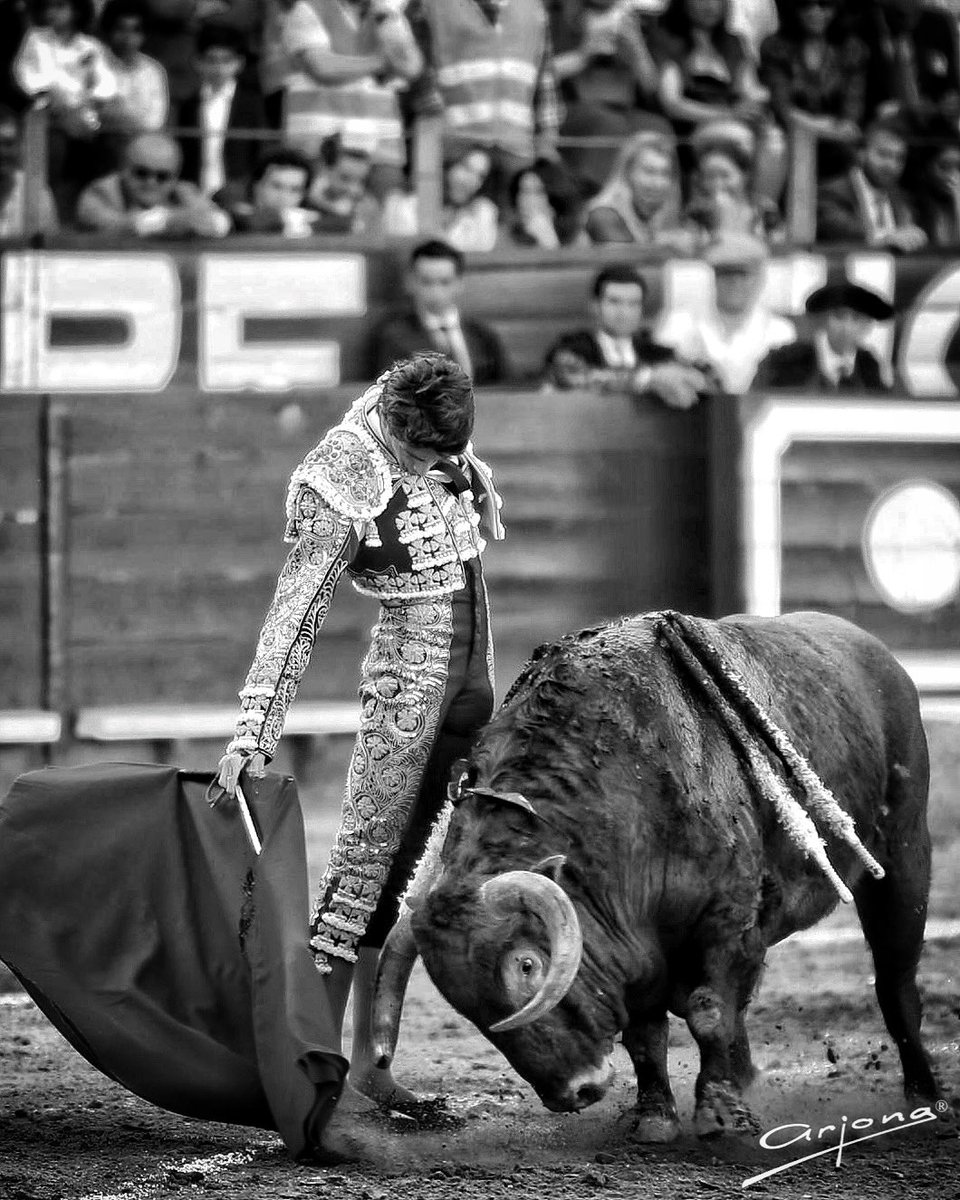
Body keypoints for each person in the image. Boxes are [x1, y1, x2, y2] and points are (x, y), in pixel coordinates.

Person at [215, 351, 504, 1113]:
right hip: (410, 688)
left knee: (418, 873)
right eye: (422, 455)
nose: (434, 466)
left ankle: (372, 1067)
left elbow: (426, 406)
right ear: (396, 430)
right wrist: (255, 731)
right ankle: (312, 1074)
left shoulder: (419, 403)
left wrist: (464, 468)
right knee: (363, 877)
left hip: (476, 683)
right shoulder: (337, 476)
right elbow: (295, 613)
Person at [407, 0, 561, 179]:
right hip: (455, 148)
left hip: (517, 149)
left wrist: (548, 138)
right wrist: (435, 117)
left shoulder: (533, 6)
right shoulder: (434, 5)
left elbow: (545, 77)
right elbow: (419, 68)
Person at [277, 0, 422, 186]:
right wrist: (380, 63)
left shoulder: (386, 15)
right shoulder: (309, 9)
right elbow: (322, 68)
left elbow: (412, 67)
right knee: (322, 207)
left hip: (381, 144)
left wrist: (387, 18)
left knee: (384, 210)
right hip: (320, 141)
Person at [544, 265, 714, 408]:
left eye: (633, 304)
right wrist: (649, 379)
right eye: (614, 302)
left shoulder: (660, 353)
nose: (624, 313)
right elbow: (575, 377)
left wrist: (695, 379)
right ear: (595, 306)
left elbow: (711, 379)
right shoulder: (571, 349)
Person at [656, 232, 795, 395]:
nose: (734, 283)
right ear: (714, 278)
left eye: (743, 275)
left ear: (759, 280)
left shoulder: (780, 331)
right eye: (726, 274)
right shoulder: (679, 323)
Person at [369, 239, 509, 384]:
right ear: (410, 282)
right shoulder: (393, 336)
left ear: (459, 283)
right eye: (426, 282)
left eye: (445, 282)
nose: (436, 292)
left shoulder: (482, 336)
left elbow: (504, 388)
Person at [758, 0, 866, 182]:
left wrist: (840, 128)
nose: (815, 11)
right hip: (789, 132)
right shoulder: (775, 47)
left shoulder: (853, 50)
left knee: (855, 153)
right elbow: (782, 107)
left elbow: (851, 116)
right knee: (788, 145)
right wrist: (820, 127)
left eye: (824, 4)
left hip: (838, 140)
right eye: (806, 3)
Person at [75, 129, 231, 235]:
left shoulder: (182, 192)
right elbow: (106, 223)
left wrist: (206, 222)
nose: (151, 182)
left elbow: (220, 222)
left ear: (175, 178)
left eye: (162, 176)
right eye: (141, 173)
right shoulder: (100, 192)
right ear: (123, 169)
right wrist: (165, 222)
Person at [753, 278, 893, 392]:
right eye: (839, 317)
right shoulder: (783, 362)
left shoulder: (870, 367)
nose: (846, 327)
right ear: (824, 320)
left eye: (856, 319)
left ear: (867, 327)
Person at [176, 23, 266, 199]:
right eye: (212, 60)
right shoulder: (189, 105)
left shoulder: (252, 103)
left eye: (226, 60)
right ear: (198, 62)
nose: (219, 68)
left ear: (240, 63)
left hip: (239, 193)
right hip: (196, 193)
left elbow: (259, 151)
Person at [816, 116, 927, 251]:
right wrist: (888, 237)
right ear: (861, 153)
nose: (892, 165)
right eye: (883, 154)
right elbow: (841, 231)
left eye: (899, 158)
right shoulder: (833, 191)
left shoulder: (902, 199)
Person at [584, 122, 694, 251]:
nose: (657, 183)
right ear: (627, 172)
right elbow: (625, 265)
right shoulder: (603, 215)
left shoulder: (660, 219)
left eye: (665, 173)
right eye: (649, 171)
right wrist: (664, 244)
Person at [683, 137, 782, 246]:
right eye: (709, 176)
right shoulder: (696, 211)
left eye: (725, 175)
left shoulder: (765, 209)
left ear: (745, 175)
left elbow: (778, 247)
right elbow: (691, 249)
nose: (717, 183)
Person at [99, 0, 169, 134]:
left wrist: (122, 116)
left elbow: (156, 121)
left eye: (135, 30)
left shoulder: (154, 71)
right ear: (109, 30)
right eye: (121, 29)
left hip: (141, 143)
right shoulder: (97, 63)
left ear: (144, 34)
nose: (128, 38)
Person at [221, 146, 317, 235]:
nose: (284, 196)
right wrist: (285, 219)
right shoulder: (229, 204)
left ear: (304, 194)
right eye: (277, 186)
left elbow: (328, 219)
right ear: (257, 185)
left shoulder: (310, 211)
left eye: (294, 190)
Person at [0, 104, 59, 236]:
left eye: (8, 144)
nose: (1, 151)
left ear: (20, 146)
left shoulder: (37, 192)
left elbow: (47, 250)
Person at [306, 133, 381, 234]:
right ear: (324, 169)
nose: (355, 190)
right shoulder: (299, 197)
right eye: (345, 178)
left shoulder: (368, 207)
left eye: (362, 181)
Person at [912, 125, 960, 248]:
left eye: (959, 168)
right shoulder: (910, 205)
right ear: (927, 167)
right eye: (944, 167)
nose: (953, 176)